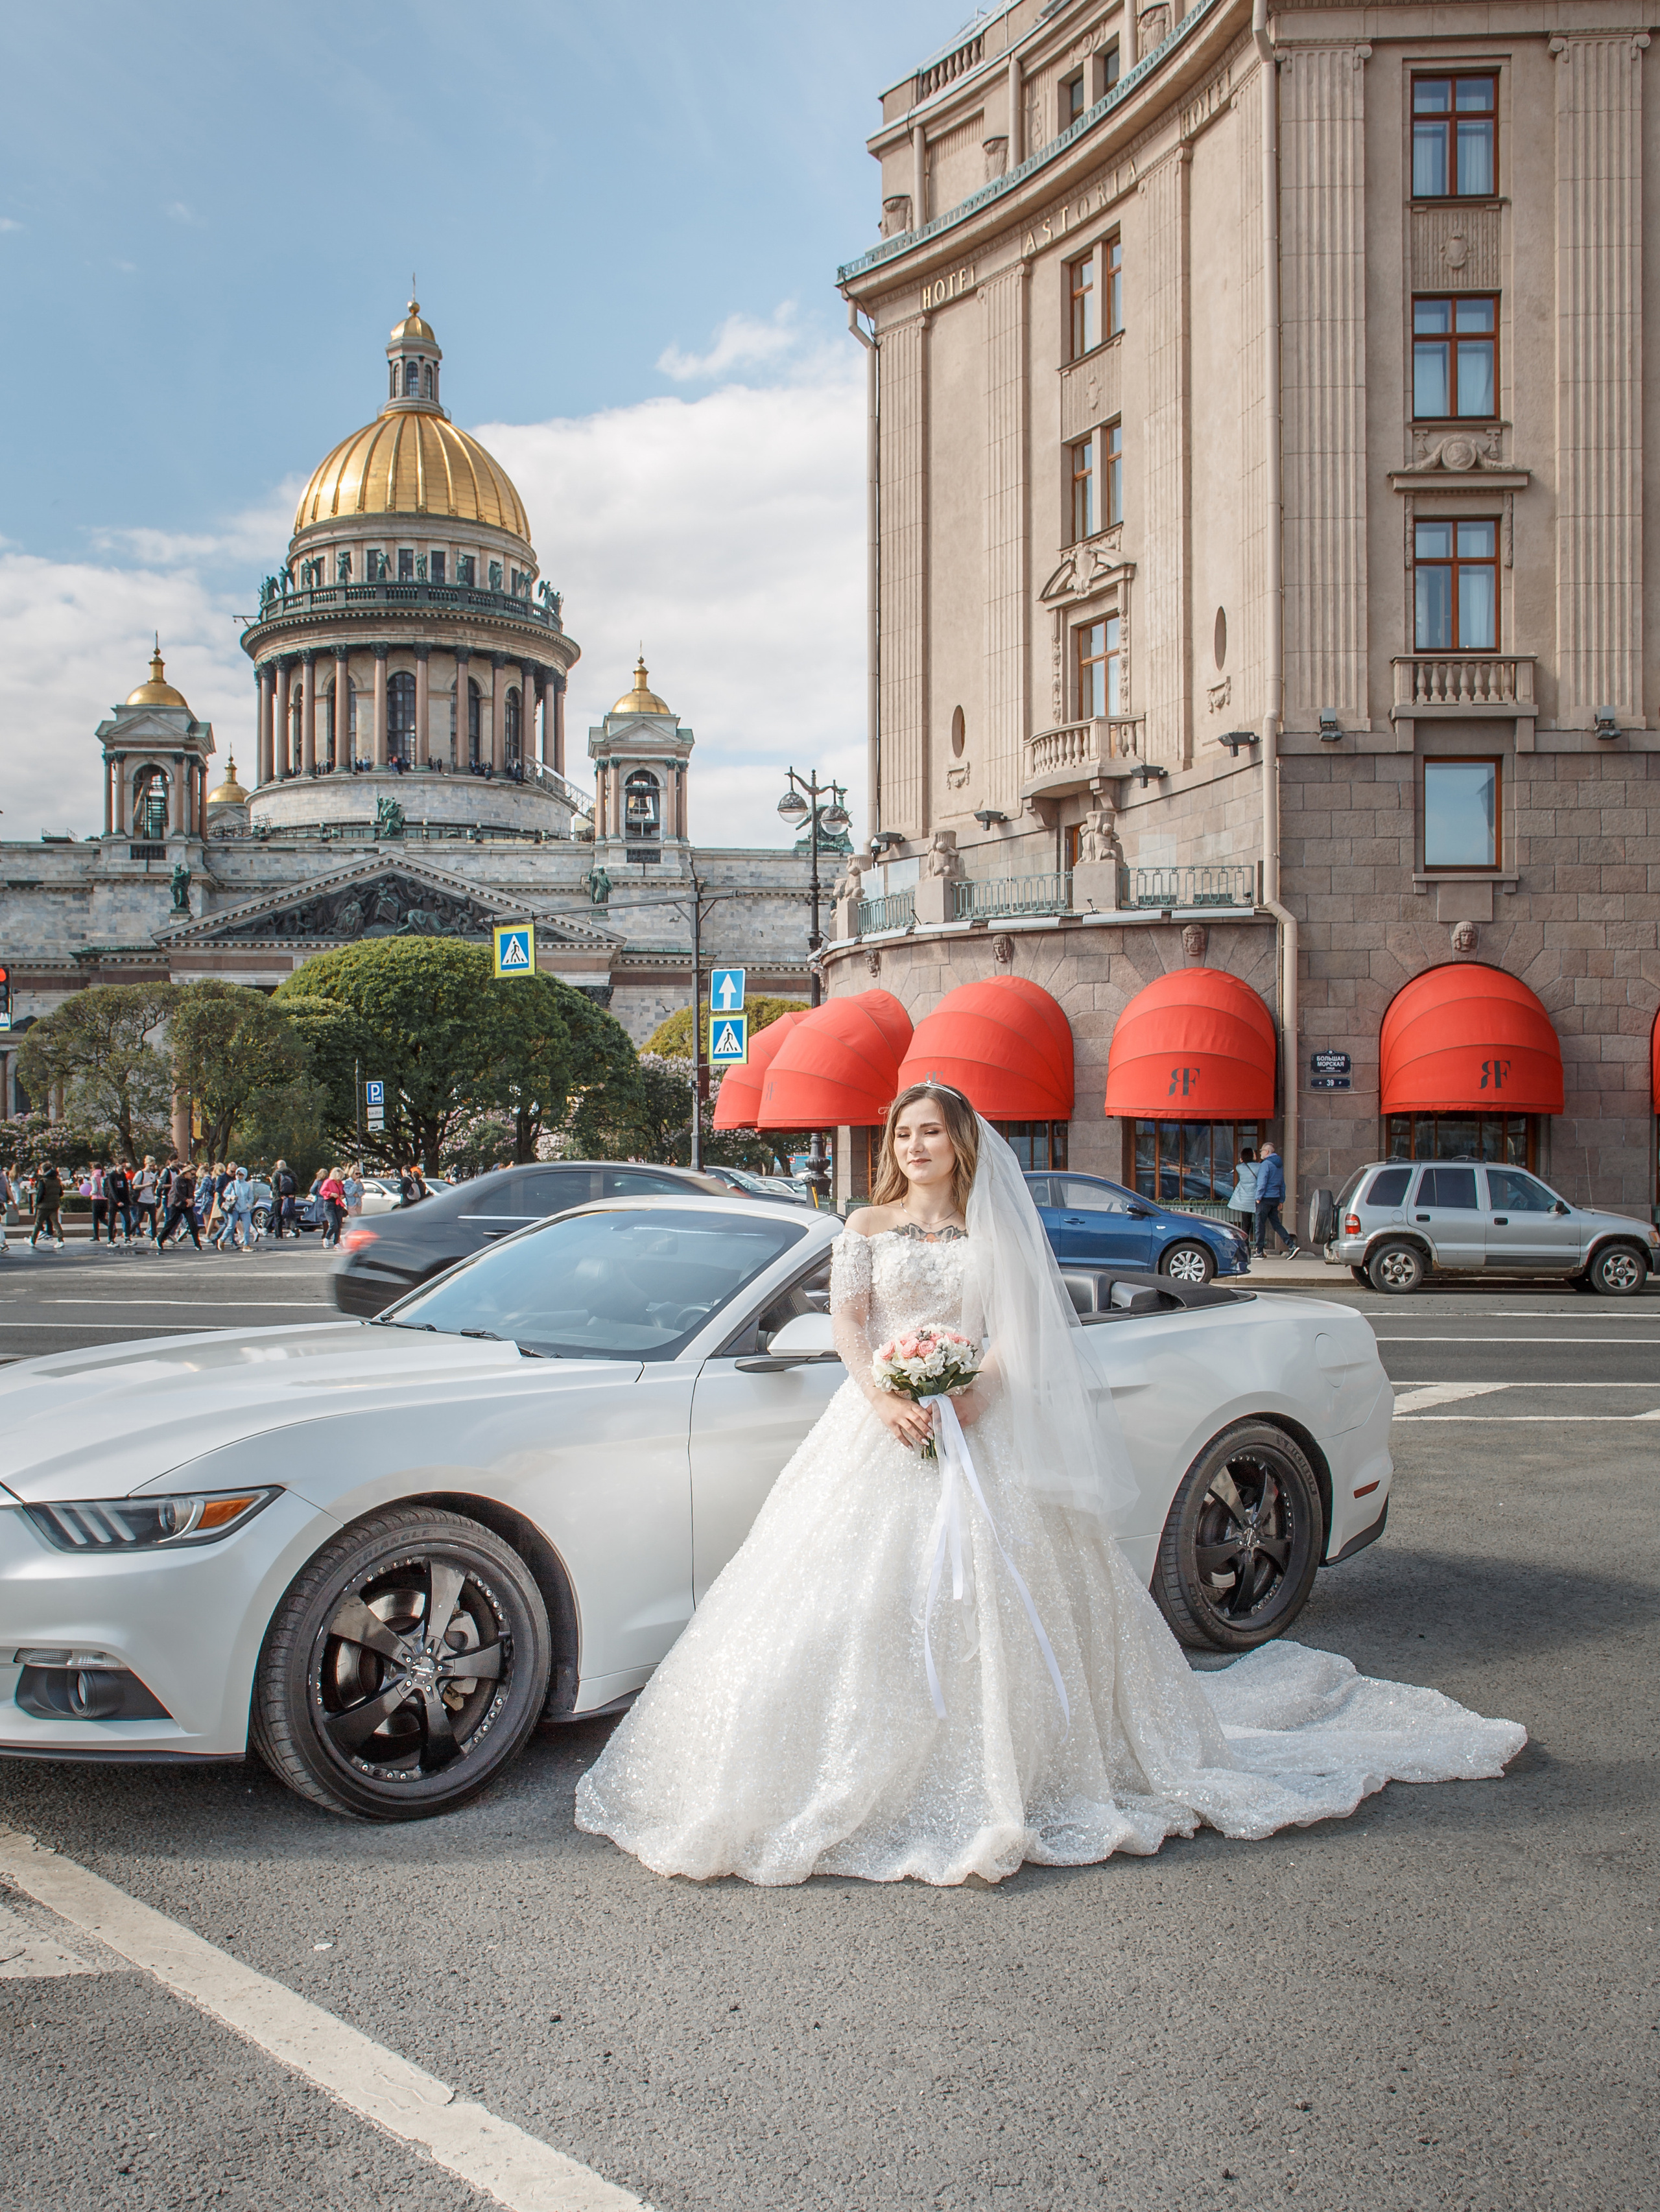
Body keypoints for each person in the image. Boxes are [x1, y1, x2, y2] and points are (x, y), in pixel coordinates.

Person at [576, 1082, 1524, 1887]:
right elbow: (853, 1327)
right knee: (843, 1602)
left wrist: (969, 1395)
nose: (915, 1147)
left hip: (979, 1429)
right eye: (902, 1133)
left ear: (959, 1143)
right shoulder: (863, 1225)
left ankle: (1015, 1766)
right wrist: (886, 1400)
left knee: (1007, 1594)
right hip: (880, 1429)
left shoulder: (994, 1230)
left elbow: (1012, 1335)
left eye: (930, 1132)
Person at [1253, 1141, 1299, 1258]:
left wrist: (1258, 1197)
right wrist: (1281, 1200)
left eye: (1262, 1151)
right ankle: (1291, 1245)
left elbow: (1262, 1182)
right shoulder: (1279, 1164)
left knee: (1260, 1224)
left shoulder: (1266, 1164)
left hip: (1265, 1198)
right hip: (1275, 1198)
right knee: (1277, 1224)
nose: (1261, 1153)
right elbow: (1282, 1183)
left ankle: (1259, 1251)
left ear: (1267, 1152)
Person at [156, 1160, 201, 1251]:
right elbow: (178, 1193)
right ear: (186, 1173)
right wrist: (186, 1199)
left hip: (187, 1205)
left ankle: (197, 1244)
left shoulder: (191, 1182)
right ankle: (160, 1239)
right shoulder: (178, 1179)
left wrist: (191, 1200)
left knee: (193, 1224)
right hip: (177, 1204)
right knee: (171, 1223)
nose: (193, 1176)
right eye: (192, 1174)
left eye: (194, 1174)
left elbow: (191, 1192)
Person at [30, 1160, 66, 1251]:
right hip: (54, 1205)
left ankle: (32, 1240)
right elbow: (61, 1193)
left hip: (44, 1206)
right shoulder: (57, 1180)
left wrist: (36, 1203)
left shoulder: (43, 1181)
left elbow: (40, 1194)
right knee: (56, 1223)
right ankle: (60, 1240)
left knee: (38, 1223)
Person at [1228, 1147, 1259, 1234]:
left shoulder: (1239, 1168)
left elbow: (1240, 1164)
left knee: (1246, 1224)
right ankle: (1258, 1244)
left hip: (1244, 1200)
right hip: (1256, 1199)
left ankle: (1245, 1243)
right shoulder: (1260, 1167)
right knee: (1259, 1224)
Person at [105, 1159, 135, 1247]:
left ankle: (127, 1238)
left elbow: (126, 1188)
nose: (123, 1168)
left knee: (127, 1219)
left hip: (124, 1201)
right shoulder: (112, 1176)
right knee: (112, 1220)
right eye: (122, 1166)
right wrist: (117, 1201)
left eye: (124, 1166)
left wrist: (128, 1201)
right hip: (114, 1201)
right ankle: (111, 1240)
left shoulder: (123, 1175)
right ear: (117, 1165)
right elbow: (112, 1190)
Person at [133, 1156, 160, 1243]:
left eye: (153, 1166)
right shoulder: (140, 1173)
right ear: (146, 1164)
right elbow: (134, 1186)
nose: (152, 1168)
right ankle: (129, 1232)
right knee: (139, 1219)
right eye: (150, 1166)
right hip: (142, 1199)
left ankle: (154, 1236)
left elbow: (153, 1188)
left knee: (153, 1218)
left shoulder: (153, 1175)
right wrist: (145, 1185)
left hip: (151, 1199)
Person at [317, 1166, 346, 1247]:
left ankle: (336, 1242)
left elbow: (343, 1192)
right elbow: (322, 1191)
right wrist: (330, 1194)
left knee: (339, 1224)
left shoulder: (341, 1184)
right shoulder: (328, 1182)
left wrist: (342, 1196)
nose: (339, 1179)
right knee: (334, 1224)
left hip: (338, 1204)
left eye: (341, 1178)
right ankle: (327, 1238)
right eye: (338, 1177)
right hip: (329, 1204)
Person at [272, 1159, 299, 1239]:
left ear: (278, 1166)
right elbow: (296, 1185)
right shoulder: (291, 1173)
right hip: (290, 1197)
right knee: (290, 1214)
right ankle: (294, 1229)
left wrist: (280, 1195)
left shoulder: (276, 1173)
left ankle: (278, 1234)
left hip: (279, 1198)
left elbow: (275, 1187)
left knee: (278, 1217)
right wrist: (293, 1194)